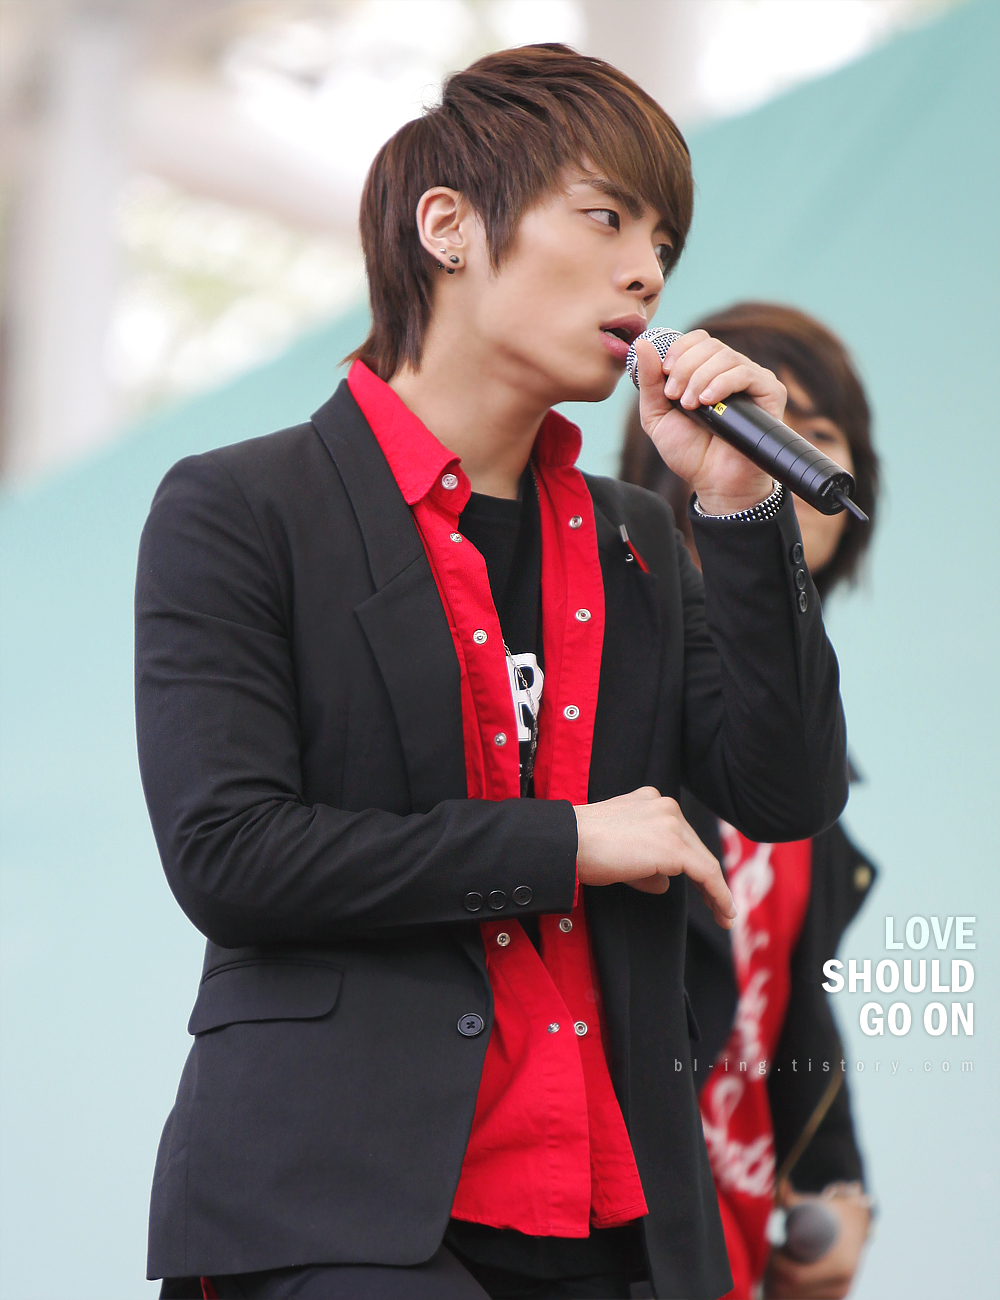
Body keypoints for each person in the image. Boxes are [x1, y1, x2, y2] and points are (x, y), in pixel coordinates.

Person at [136, 47, 849, 1300]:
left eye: (664, 243)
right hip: (341, 1210)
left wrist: (740, 511)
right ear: (448, 227)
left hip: (617, 1209)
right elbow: (230, 854)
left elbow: (783, 791)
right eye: (606, 217)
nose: (647, 270)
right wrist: (564, 841)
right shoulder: (243, 508)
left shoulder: (638, 537)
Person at [621, 301, 881, 1300]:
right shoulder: (610, 696)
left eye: (815, 435)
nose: (782, 454)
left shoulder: (813, 777)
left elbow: (786, 1011)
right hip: (605, 1241)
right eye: (756, 422)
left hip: (727, 1259)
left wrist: (835, 1185)